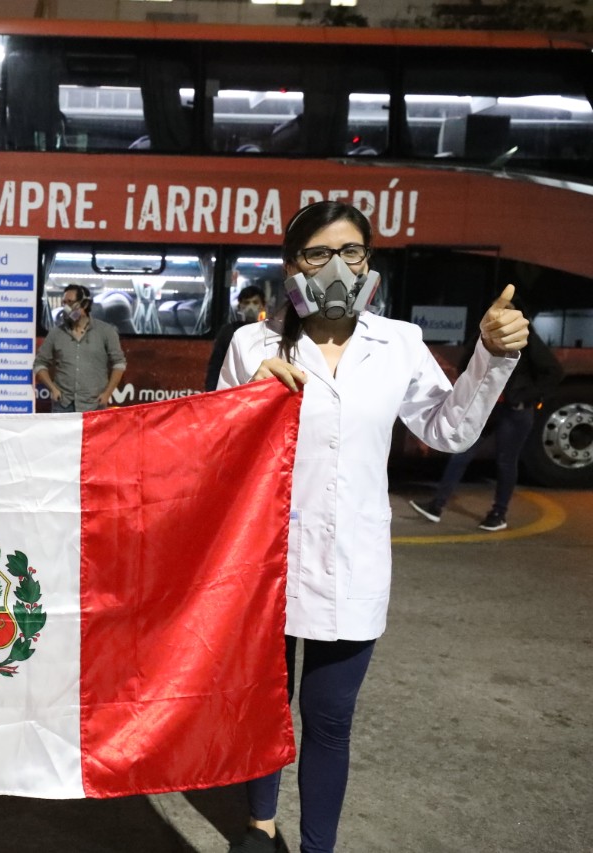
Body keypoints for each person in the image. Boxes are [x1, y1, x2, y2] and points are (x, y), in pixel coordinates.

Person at [217, 200, 528, 853]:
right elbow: (212, 453)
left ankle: (317, 847)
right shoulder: (250, 344)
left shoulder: (399, 344)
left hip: (351, 566)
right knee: (263, 708)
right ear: (291, 266)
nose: (337, 267)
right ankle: (259, 826)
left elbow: (448, 430)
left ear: (370, 264)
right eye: (318, 254)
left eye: (351, 252)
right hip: (265, 563)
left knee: (329, 718)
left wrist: (489, 358)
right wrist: (247, 400)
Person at [410, 327, 563, 531]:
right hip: (487, 408)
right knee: (461, 452)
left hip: (515, 411)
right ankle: (436, 506)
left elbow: (554, 372)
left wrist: (524, 396)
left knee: (506, 461)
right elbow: (466, 364)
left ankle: (499, 513)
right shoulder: (484, 334)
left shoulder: (525, 337)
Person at [33, 284, 127, 412]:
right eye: (64, 303)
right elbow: (39, 364)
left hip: (94, 405)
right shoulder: (56, 333)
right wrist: (53, 389)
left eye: (70, 303)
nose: (66, 308)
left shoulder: (106, 331)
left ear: (85, 305)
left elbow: (119, 364)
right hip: (63, 405)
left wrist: (107, 394)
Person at [206, 283, 267, 391]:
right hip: (234, 389)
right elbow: (216, 366)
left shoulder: (268, 331)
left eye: (255, 302)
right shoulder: (228, 332)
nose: (251, 307)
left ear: (262, 306)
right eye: (247, 303)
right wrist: (211, 392)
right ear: (240, 306)